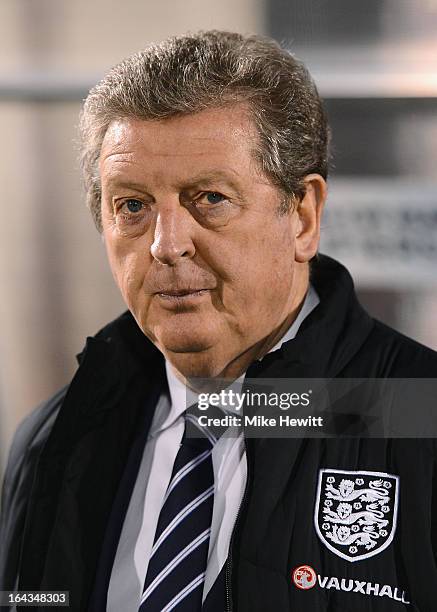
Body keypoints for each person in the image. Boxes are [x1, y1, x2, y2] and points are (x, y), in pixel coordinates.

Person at [1, 30, 437, 612]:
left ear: (303, 217)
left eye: (208, 198)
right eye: (132, 205)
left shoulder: (420, 417)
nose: (166, 244)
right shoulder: (54, 439)